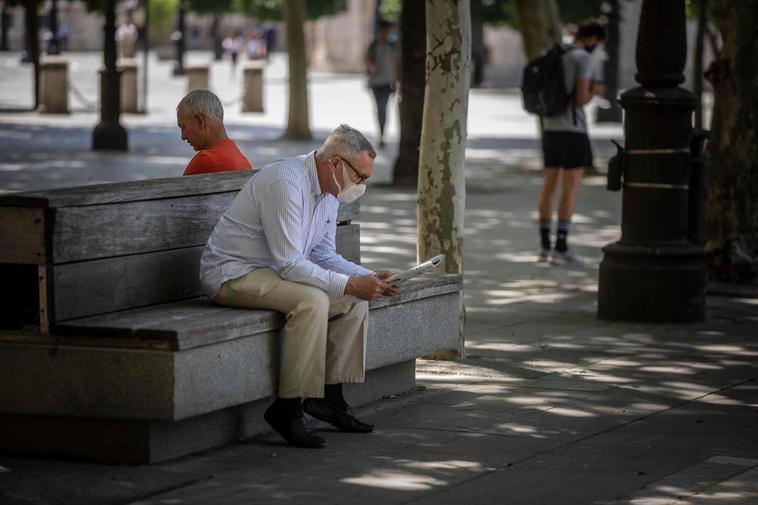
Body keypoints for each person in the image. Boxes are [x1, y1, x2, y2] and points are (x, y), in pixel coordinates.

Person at [199, 125, 398, 448]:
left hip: (274, 272)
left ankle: (329, 400)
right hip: (232, 273)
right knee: (312, 301)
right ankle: (287, 409)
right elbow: (291, 263)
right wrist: (349, 283)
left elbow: (323, 255)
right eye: (360, 176)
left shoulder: (330, 191)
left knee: (352, 301)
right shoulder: (286, 183)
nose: (362, 185)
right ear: (335, 164)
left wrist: (368, 277)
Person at [537, 20, 606, 265]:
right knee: (571, 187)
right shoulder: (582, 59)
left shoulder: (555, 53)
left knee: (549, 186)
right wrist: (595, 91)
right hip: (573, 131)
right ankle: (562, 246)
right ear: (594, 39)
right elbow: (580, 99)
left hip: (550, 128)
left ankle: (545, 247)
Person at [176, 90, 253, 176]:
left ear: (201, 121)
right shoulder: (243, 161)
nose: (183, 136)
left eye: (183, 127)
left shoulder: (207, 160)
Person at [364, 19, 400, 148]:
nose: (386, 32)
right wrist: (372, 67)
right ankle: (381, 132)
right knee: (379, 108)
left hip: (388, 82)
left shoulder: (393, 45)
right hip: (375, 82)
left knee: (383, 108)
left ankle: (382, 134)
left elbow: (397, 64)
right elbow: (366, 59)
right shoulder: (374, 44)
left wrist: (398, 81)